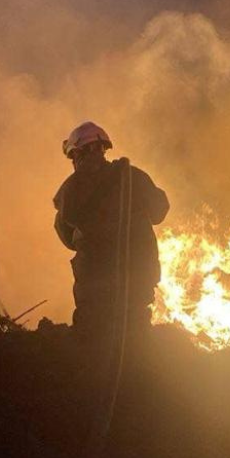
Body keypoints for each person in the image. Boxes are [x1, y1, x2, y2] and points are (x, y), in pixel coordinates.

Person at [53, 122, 169, 338]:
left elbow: (67, 236)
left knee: (91, 345)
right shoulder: (132, 176)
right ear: (103, 148)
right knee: (136, 341)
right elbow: (160, 211)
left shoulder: (70, 191)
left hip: (94, 292)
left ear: (77, 154)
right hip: (136, 284)